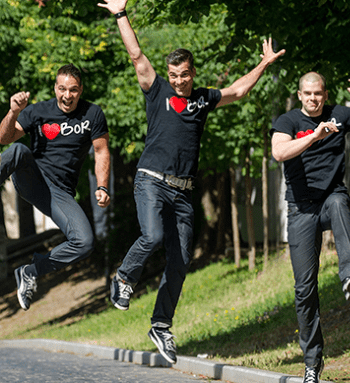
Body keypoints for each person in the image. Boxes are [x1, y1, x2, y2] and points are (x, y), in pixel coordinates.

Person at [98, 0, 285, 365]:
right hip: (151, 180)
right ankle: (123, 277)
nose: (179, 81)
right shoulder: (158, 92)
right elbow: (137, 56)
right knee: (151, 236)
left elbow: (237, 91)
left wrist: (263, 63)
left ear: (193, 72)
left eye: (184, 74)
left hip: (183, 192)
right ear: (167, 74)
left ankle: (161, 325)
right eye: (174, 75)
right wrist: (121, 14)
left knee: (181, 260)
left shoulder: (202, 99)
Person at [271, 73, 350, 383]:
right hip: (301, 209)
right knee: (304, 290)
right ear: (300, 95)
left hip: (330, 198)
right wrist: (314, 135)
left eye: (318, 94)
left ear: (325, 94)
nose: (313, 99)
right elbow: (279, 153)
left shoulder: (341, 114)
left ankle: (349, 274)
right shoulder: (286, 121)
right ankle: (312, 363)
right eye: (308, 94)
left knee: (339, 203)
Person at [0, 64, 111, 312]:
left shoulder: (93, 114)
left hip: (60, 194)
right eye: (62, 89)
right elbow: (3, 139)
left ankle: (31, 271)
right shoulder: (39, 111)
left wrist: (102, 186)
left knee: (84, 242)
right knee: (18, 149)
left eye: (73, 90)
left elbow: (102, 151)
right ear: (55, 88)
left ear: (80, 90)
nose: (67, 96)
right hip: (33, 179)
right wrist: (14, 112)